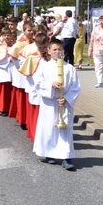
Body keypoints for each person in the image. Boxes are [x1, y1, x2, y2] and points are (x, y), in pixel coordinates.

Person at [32, 38, 81, 170]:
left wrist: (67, 99)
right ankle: (48, 154)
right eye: (55, 50)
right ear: (49, 51)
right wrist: (51, 84)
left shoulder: (69, 68)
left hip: (63, 103)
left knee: (64, 130)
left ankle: (66, 157)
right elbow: (38, 83)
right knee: (48, 128)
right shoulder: (44, 66)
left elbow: (76, 87)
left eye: (60, 49)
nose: (58, 52)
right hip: (49, 102)